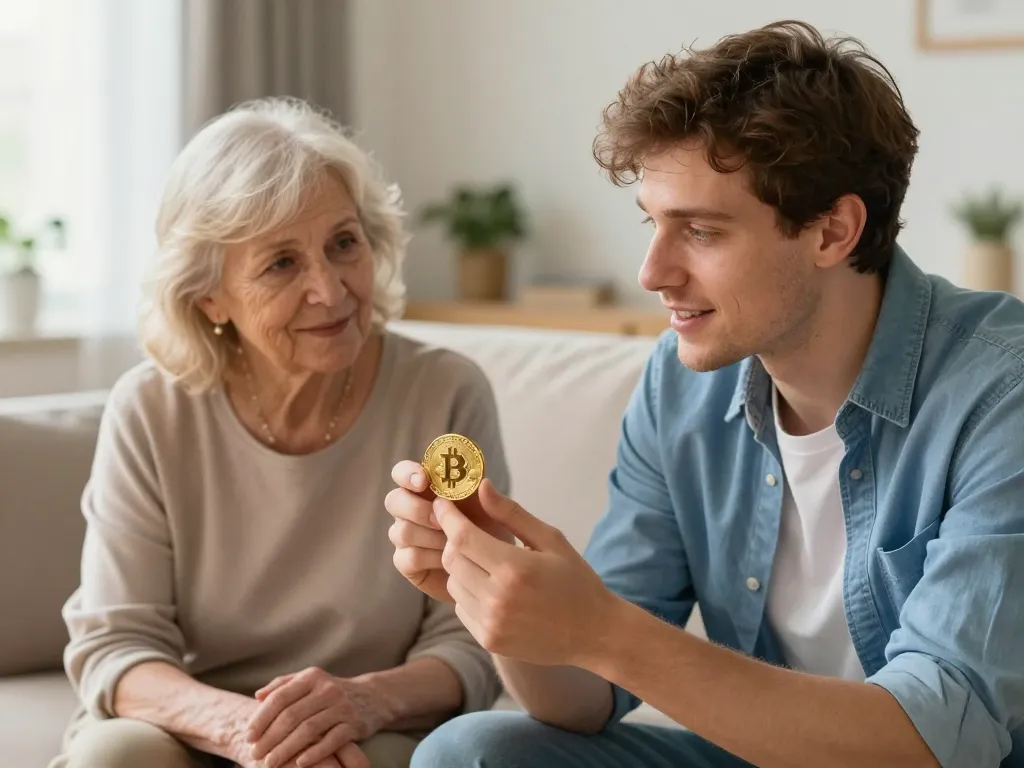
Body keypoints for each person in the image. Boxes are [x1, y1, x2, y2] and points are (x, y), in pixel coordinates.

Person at [385, 20, 1024, 768]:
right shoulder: (679, 384)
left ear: (833, 232)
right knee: (472, 751)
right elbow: (583, 700)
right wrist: (492, 590)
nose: (651, 272)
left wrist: (604, 631)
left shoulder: (1000, 393)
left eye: (701, 232)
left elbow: (936, 740)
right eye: (653, 224)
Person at [51, 97, 509, 768]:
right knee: (112, 756)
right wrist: (254, 732)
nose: (330, 289)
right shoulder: (150, 409)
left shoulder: (445, 394)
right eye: (281, 264)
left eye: (343, 244)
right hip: (189, 722)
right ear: (210, 296)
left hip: (369, 723)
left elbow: (472, 638)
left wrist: (359, 704)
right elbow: (117, 647)